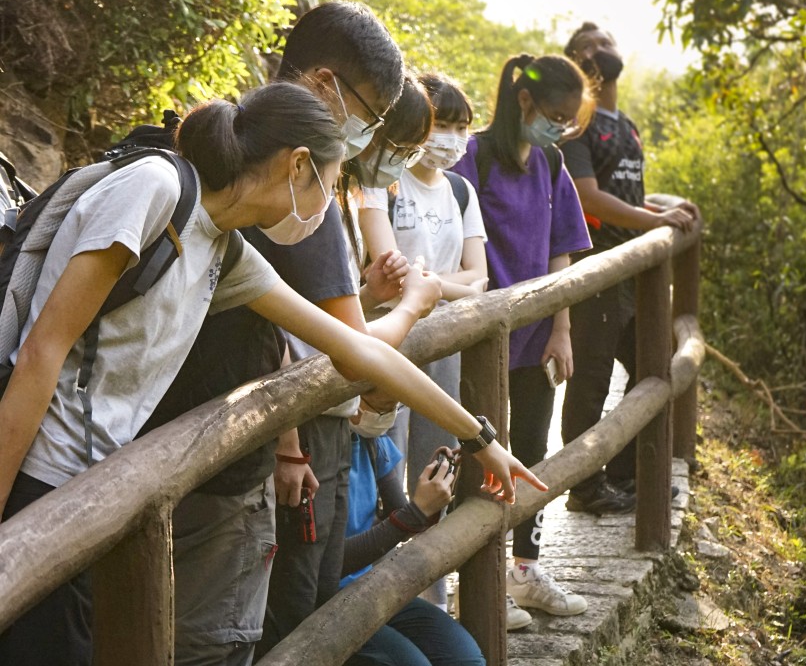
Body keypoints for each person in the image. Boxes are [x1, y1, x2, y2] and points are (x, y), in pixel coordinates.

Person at [0, 81, 544, 666]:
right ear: (298, 165)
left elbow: (360, 352)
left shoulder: (224, 247)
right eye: (331, 186)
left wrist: (479, 437)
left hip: (91, 493)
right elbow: (40, 353)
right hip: (38, 480)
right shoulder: (154, 188)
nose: (323, 211)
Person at [259, 72, 441, 657]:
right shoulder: (305, 197)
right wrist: (410, 306)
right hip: (308, 428)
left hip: (329, 422)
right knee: (293, 603)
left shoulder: (335, 191)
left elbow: (319, 325)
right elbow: (327, 345)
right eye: (396, 140)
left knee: (313, 586)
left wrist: (362, 298)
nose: (396, 156)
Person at [451, 53, 593, 630]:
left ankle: (526, 571)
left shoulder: (552, 162)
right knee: (477, 455)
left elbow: (561, 251)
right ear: (526, 101)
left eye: (570, 119)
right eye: (555, 115)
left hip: (535, 337)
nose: (561, 128)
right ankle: (474, 583)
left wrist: (561, 327)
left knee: (532, 450)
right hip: (479, 340)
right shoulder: (474, 156)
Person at [559, 22, 699, 515]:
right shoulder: (578, 122)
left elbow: (630, 192)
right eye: (585, 50)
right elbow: (587, 194)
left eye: (604, 44)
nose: (598, 52)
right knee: (591, 377)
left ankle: (623, 473)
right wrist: (657, 219)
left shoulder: (628, 125)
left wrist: (651, 219)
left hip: (633, 271)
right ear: (578, 65)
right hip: (594, 265)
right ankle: (583, 486)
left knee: (651, 364)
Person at [359, 72, 487, 609]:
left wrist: (429, 286)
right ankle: (377, 589)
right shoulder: (384, 181)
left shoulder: (461, 190)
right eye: (444, 125)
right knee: (386, 465)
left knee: (437, 462)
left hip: (444, 344)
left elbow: (479, 277)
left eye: (462, 128)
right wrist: (435, 286)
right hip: (389, 341)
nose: (452, 139)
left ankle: (431, 595)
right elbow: (386, 269)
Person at [336, 427, 483, 666]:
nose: (396, 407)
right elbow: (328, 564)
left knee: (465, 659)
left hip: (365, 587)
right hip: (322, 599)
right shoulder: (316, 450)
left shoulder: (373, 439)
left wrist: (432, 495)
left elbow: (398, 512)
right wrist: (415, 513)